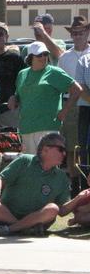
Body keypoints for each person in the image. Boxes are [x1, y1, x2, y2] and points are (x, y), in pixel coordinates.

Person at [0, 132, 71, 235]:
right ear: (45, 149)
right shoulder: (25, 160)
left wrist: (80, 197)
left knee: (53, 209)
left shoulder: (62, 177)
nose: (64, 153)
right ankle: (22, 227)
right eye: (60, 149)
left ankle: (9, 229)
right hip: (6, 214)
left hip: (38, 219)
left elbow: (62, 210)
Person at [9, 41, 82, 154]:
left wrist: (64, 111)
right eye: (39, 54)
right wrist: (13, 98)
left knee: (49, 166)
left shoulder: (54, 72)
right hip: (26, 128)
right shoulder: (22, 74)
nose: (43, 57)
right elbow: (19, 96)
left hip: (48, 127)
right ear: (30, 57)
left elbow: (77, 90)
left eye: (45, 54)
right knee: (30, 166)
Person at [58, 16, 90, 193]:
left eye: (81, 32)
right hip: (70, 105)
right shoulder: (65, 58)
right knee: (72, 147)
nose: (78, 36)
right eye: (75, 33)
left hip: (87, 106)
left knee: (86, 147)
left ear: (87, 32)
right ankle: (75, 184)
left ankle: (87, 182)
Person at [77, 27, 90, 191]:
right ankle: (84, 192)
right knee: (84, 151)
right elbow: (81, 86)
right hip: (86, 111)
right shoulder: (84, 60)